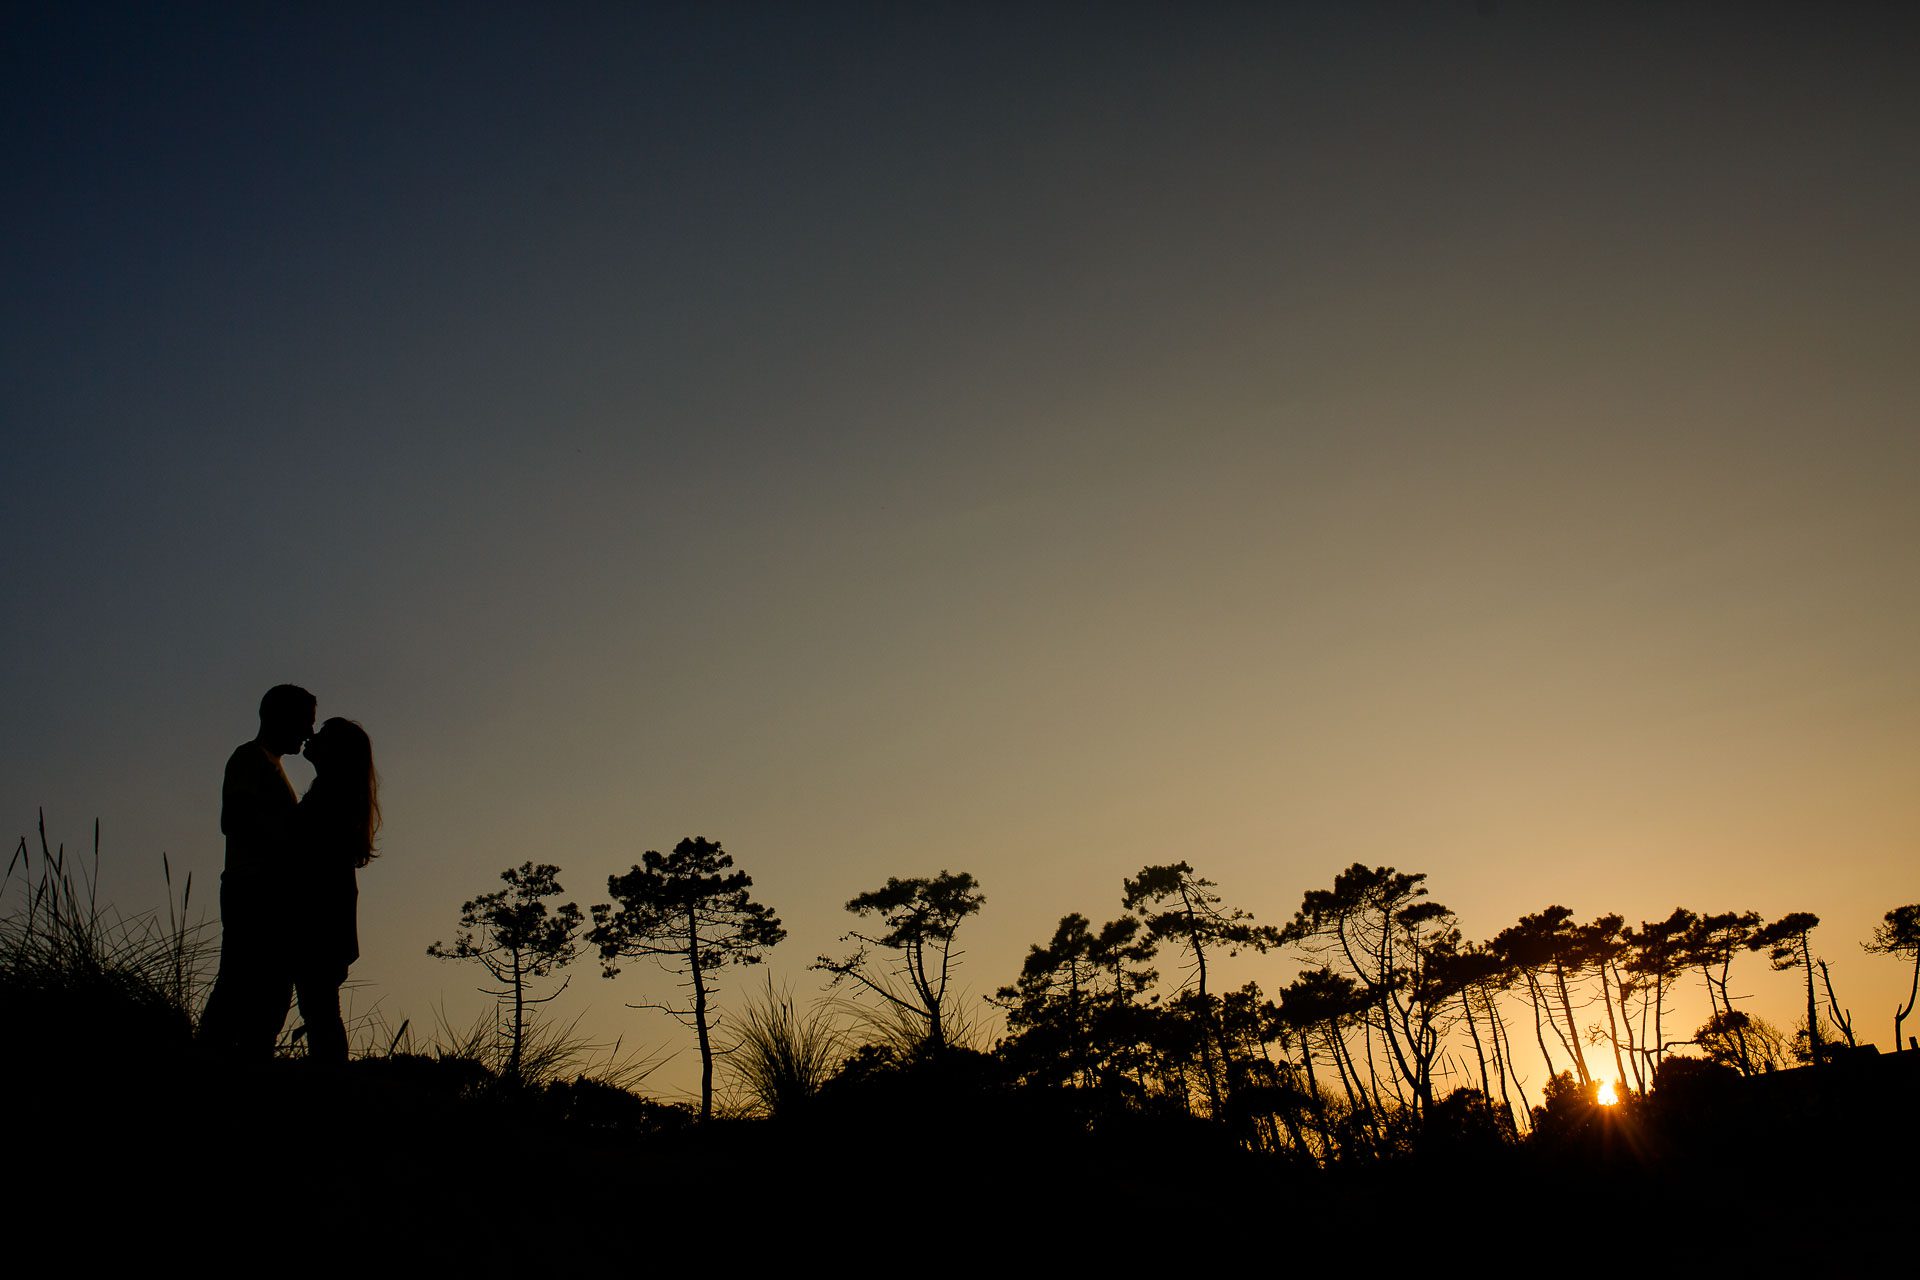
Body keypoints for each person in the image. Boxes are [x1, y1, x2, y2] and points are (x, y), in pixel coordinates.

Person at [198, 684, 315, 1058]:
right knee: (241, 984)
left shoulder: (269, 763)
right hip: (252, 889)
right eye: (304, 722)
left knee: (268, 990)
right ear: (279, 717)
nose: (309, 733)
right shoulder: (250, 758)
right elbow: (234, 819)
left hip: (264, 890)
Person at [288, 717, 380, 1066]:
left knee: (320, 1011)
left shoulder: (331, 794)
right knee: (321, 1010)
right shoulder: (335, 791)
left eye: (322, 735)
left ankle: (331, 1085)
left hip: (319, 918)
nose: (312, 736)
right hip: (328, 919)